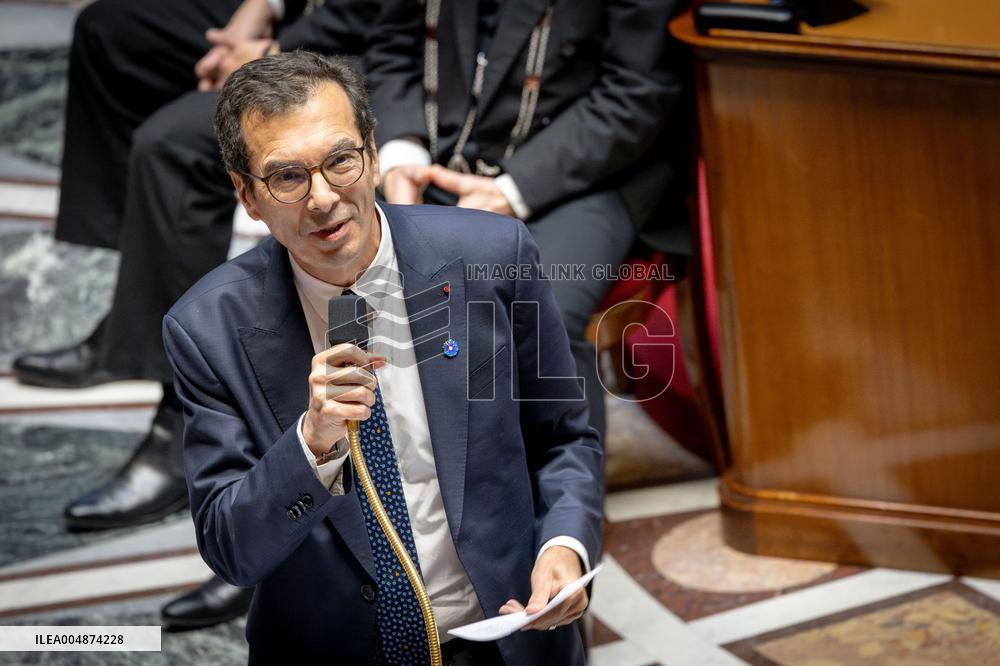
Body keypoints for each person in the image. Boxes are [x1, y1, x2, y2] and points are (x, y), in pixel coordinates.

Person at [163, 51, 603, 662]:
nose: (322, 199)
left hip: (507, 638)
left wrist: (564, 545)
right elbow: (232, 550)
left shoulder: (493, 256)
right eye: (287, 177)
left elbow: (564, 441)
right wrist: (310, 446)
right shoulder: (206, 329)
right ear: (247, 195)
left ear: (372, 154)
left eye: (341, 160)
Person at [10, 0, 377, 628]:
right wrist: (254, 13)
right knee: (110, 32)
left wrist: (268, 57)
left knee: (171, 150)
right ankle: (136, 318)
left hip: (357, 42)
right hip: (295, 19)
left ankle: (181, 421)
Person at [365, 0, 682, 443]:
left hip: (583, 171)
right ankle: (394, 488)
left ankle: (564, 506)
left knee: (535, 310)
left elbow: (637, 90)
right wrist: (401, 156)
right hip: (430, 153)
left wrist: (509, 191)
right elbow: (390, 46)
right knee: (343, 286)